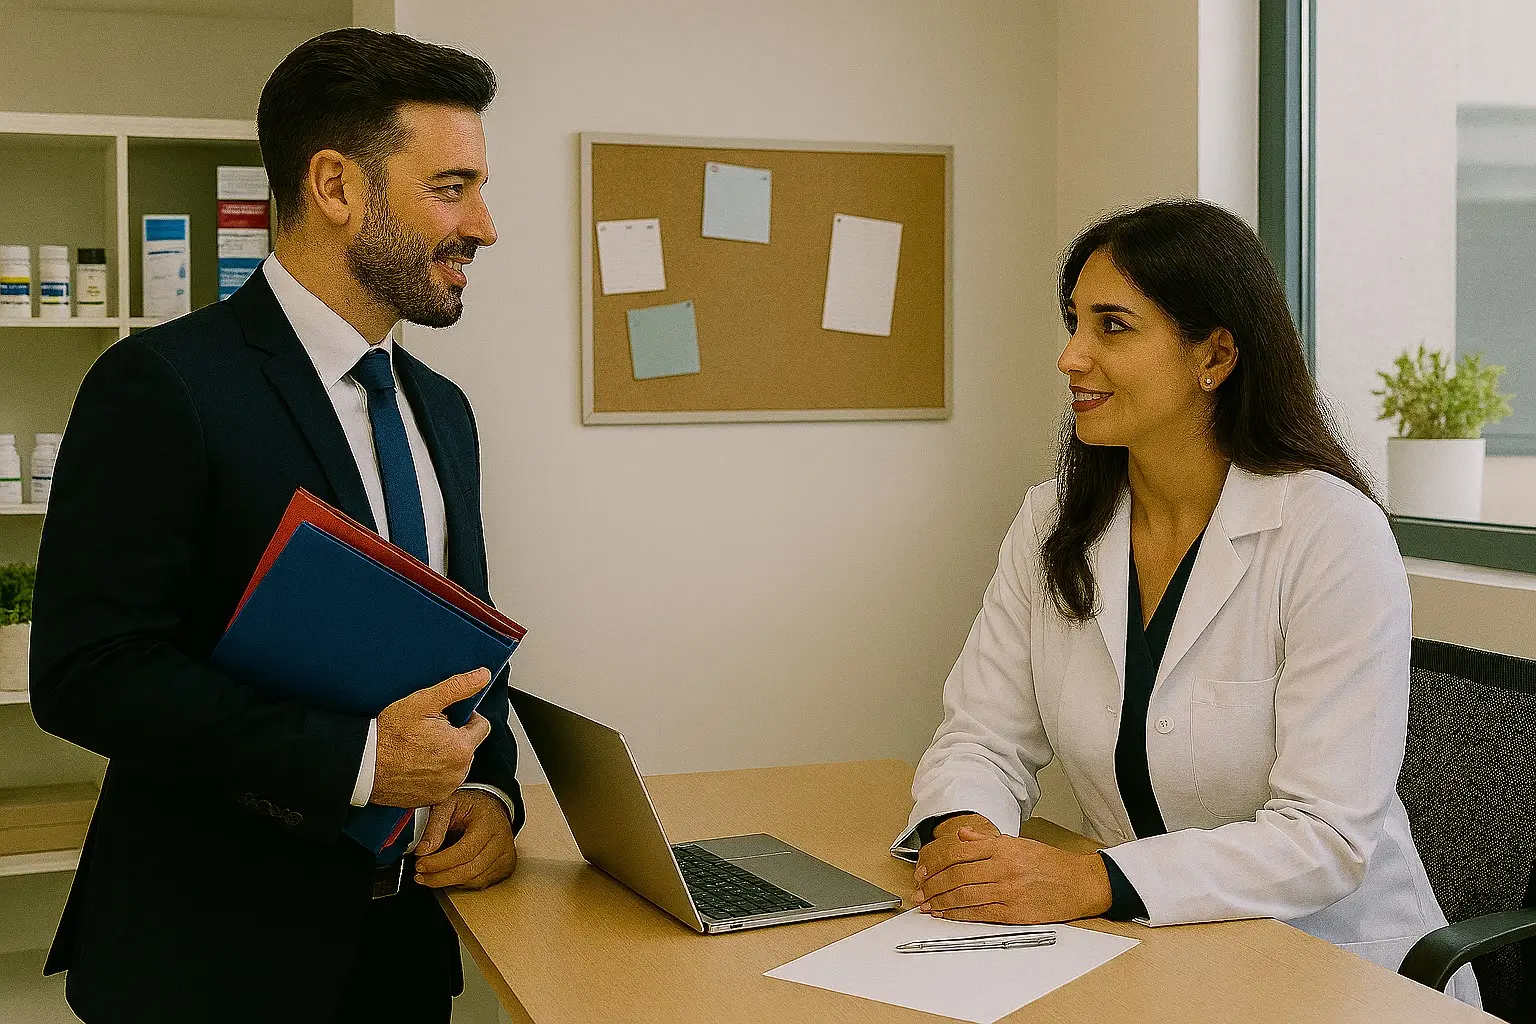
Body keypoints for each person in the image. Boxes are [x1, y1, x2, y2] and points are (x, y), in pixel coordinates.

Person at [29, 29, 521, 1023]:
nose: (485, 225)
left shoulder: (443, 411)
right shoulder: (162, 385)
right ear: (335, 185)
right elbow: (89, 671)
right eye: (451, 188)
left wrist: (488, 795)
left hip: (401, 954)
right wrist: (359, 761)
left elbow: (459, 646)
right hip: (210, 965)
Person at [900, 200, 1478, 1005]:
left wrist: (1094, 880)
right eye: (1074, 323)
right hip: (1150, 956)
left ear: (1215, 355)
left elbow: (1325, 838)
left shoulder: (1329, 532)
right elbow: (982, 736)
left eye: (1112, 327)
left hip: (1334, 971)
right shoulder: (1054, 521)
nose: (1071, 356)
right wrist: (967, 839)